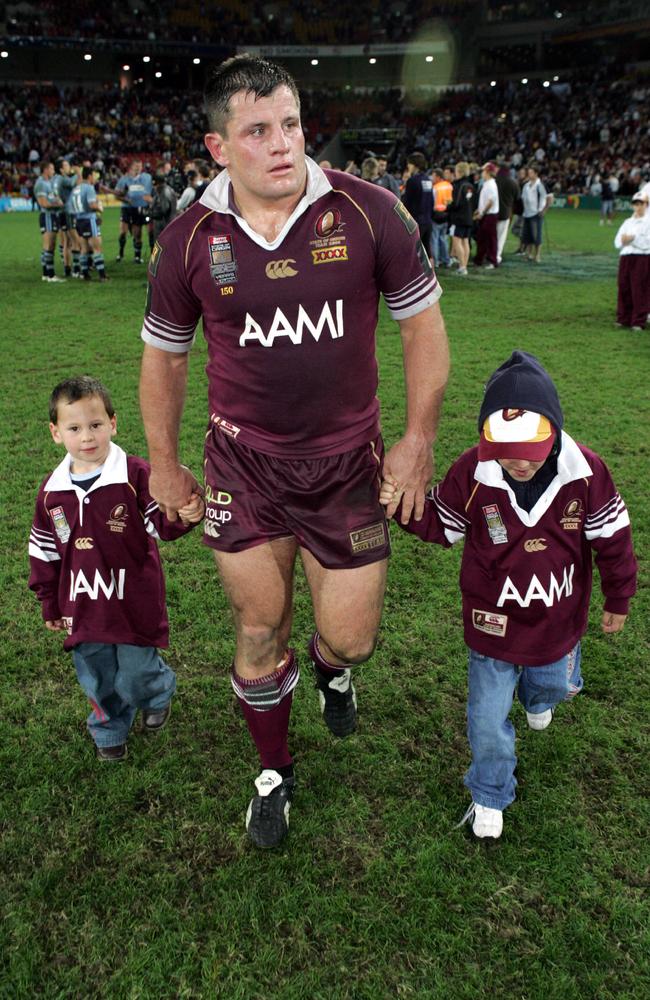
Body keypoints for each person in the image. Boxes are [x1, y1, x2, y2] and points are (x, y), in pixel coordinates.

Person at [139, 54, 449, 849]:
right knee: (256, 626)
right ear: (218, 147)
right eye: (257, 131)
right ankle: (273, 773)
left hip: (349, 463)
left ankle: (332, 670)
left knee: (353, 637)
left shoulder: (372, 212)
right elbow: (165, 360)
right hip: (243, 465)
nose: (282, 145)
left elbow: (423, 331)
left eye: (290, 125)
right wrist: (166, 463)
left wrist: (416, 444)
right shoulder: (186, 241)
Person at [380, 350, 636, 840]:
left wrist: (618, 596)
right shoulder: (474, 473)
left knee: (552, 687)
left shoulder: (586, 473)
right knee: (487, 719)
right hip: (490, 627)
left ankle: (549, 689)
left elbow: (613, 538)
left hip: (557, 625)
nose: (518, 462)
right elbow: (442, 525)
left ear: (555, 432)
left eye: (530, 450)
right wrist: (401, 510)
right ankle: (490, 793)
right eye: (506, 450)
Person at [28, 376, 204, 762]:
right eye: (74, 428)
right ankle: (108, 730)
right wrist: (49, 602)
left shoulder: (135, 474)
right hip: (82, 607)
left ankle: (155, 692)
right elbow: (44, 551)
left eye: (95, 425)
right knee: (96, 674)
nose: (86, 436)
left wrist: (186, 515)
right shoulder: (52, 492)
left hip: (132, 600)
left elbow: (162, 521)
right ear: (56, 433)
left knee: (135, 672)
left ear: (113, 423)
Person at [614, 192, 650, 331]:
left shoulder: (648, 222)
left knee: (639, 288)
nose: (638, 206)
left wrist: (632, 239)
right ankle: (623, 318)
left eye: (641, 203)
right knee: (624, 286)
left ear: (646, 205)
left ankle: (638, 320)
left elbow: (647, 242)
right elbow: (618, 240)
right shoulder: (627, 222)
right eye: (636, 203)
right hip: (626, 256)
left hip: (642, 257)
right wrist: (626, 240)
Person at [70, 166, 108, 282]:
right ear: (90, 176)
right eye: (94, 176)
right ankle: (102, 275)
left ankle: (85, 274)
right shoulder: (89, 188)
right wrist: (100, 208)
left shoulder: (76, 188)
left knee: (84, 248)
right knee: (97, 248)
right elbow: (92, 205)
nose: (95, 178)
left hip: (79, 221)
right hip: (89, 220)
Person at [114, 159, 153, 264]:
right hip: (127, 208)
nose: (139, 168)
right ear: (131, 167)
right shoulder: (124, 179)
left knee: (138, 233)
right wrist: (125, 199)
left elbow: (151, 191)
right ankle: (120, 253)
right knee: (123, 232)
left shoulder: (147, 178)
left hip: (141, 208)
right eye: (136, 166)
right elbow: (116, 195)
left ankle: (137, 256)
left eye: (140, 166)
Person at [34, 161, 65, 282]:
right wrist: (56, 204)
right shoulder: (41, 183)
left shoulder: (48, 183)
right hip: (47, 216)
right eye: (52, 169)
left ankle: (46, 274)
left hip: (52, 216)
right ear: (46, 170)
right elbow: (43, 203)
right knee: (49, 245)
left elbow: (51, 198)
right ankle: (51, 275)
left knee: (50, 245)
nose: (54, 171)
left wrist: (57, 200)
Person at [402, 151, 434, 257]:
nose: (408, 166)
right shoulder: (428, 180)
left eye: (409, 164)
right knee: (427, 251)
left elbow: (406, 204)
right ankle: (431, 273)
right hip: (428, 220)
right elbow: (431, 201)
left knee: (413, 253)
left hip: (416, 222)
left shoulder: (412, 181)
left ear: (414, 165)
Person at [448, 161, 474, 277]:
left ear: (459, 172)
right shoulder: (470, 185)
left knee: (457, 241)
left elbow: (456, 203)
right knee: (465, 241)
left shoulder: (459, 185)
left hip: (458, 217)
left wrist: (448, 206)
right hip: (468, 217)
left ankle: (462, 267)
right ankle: (465, 266)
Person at [521, 164, 551, 263]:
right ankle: (529, 253)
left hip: (536, 213)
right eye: (528, 172)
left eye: (531, 173)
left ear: (536, 173)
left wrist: (544, 210)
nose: (529, 174)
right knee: (527, 235)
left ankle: (537, 255)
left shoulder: (540, 185)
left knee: (536, 235)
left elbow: (549, 197)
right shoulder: (526, 185)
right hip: (526, 213)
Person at [473, 162, 499, 269]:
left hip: (490, 215)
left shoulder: (491, 184)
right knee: (482, 238)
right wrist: (479, 210)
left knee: (489, 239)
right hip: (487, 214)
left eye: (483, 171)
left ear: (487, 172)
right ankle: (479, 259)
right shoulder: (488, 183)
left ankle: (492, 261)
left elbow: (490, 202)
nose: (482, 173)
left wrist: (482, 213)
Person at [495, 163, 519, 265]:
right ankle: (497, 256)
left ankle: (489, 254)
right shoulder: (513, 182)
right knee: (501, 236)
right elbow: (517, 198)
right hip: (506, 213)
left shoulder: (494, 181)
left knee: (492, 236)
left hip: (493, 212)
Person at [431, 165, 452, 268]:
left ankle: (436, 261)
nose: (432, 178)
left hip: (436, 214)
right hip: (446, 214)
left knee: (434, 239)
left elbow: (433, 202)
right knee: (443, 238)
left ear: (438, 177)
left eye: (433, 176)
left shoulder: (435, 188)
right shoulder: (449, 185)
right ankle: (446, 260)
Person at [150, 170, 178, 239]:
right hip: (169, 223)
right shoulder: (168, 189)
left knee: (163, 248)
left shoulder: (163, 192)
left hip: (165, 225)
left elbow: (163, 210)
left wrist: (151, 214)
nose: (154, 186)